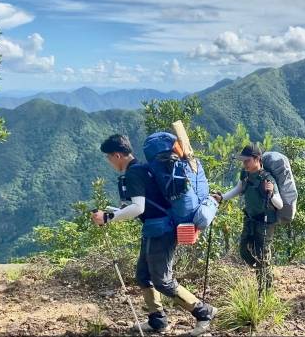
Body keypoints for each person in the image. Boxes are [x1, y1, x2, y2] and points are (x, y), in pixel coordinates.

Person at [91, 134, 217, 336]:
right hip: (154, 228)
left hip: (162, 231)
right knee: (143, 275)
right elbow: (141, 207)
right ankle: (157, 321)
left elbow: (138, 208)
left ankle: (204, 312)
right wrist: (113, 214)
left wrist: (108, 218)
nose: (109, 162)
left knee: (162, 280)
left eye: (109, 157)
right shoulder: (141, 169)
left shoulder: (134, 174)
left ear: (117, 155)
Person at [211, 144, 282, 293]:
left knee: (262, 255)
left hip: (265, 222)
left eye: (247, 160)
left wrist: (271, 192)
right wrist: (222, 197)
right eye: (243, 161)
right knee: (244, 250)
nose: (244, 164)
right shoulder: (245, 174)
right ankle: (261, 271)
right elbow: (239, 189)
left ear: (257, 159)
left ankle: (266, 289)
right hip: (250, 219)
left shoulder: (267, 178)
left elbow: (280, 204)